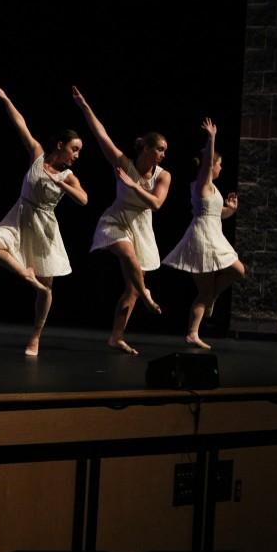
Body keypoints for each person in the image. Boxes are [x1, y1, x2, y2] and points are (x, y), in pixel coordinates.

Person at [0, 83, 88, 356]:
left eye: (79, 152)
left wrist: (62, 183)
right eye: (74, 149)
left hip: (44, 226)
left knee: (47, 288)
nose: (76, 155)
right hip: (20, 214)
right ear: (60, 145)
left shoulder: (68, 175)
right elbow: (22, 125)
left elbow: (84, 199)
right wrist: (7, 100)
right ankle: (24, 273)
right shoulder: (38, 155)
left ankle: (36, 336)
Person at [73, 86, 169, 355]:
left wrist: (134, 185)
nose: (162, 154)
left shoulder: (163, 176)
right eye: (159, 149)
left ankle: (116, 336)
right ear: (146, 148)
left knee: (131, 291)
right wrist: (84, 106)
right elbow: (101, 134)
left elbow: (157, 204)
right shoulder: (124, 163)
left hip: (142, 225)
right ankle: (148, 295)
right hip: (116, 221)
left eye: (164, 151)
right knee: (128, 255)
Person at [162, 118, 246, 349]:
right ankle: (192, 332)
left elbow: (217, 215)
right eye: (219, 164)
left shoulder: (213, 189)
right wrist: (211, 137)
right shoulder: (203, 183)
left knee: (234, 273)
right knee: (208, 289)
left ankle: (206, 309)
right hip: (202, 238)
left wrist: (231, 210)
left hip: (213, 235)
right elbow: (208, 164)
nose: (220, 168)